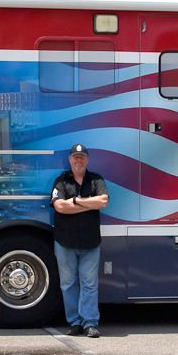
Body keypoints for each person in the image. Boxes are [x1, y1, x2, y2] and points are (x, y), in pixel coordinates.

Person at [50, 144, 109, 338]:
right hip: (65, 242)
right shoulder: (61, 181)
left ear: (87, 160)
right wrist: (88, 204)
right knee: (68, 284)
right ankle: (75, 322)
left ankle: (90, 323)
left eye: (82, 157)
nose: (78, 160)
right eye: (75, 157)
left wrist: (75, 201)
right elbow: (59, 206)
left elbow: (102, 201)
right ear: (70, 160)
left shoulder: (96, 179)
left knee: (90, 284)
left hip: (90, 242)